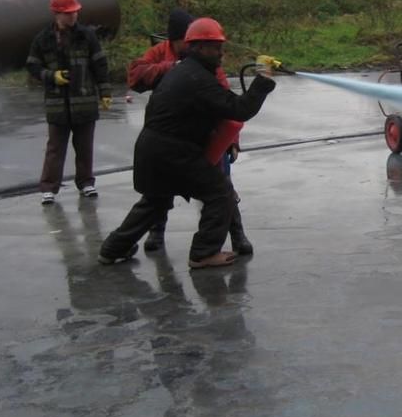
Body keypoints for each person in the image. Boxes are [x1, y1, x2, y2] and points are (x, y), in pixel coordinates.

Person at [98, 17, 276, 269]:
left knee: (155, 202)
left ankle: (112, 249)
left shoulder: (184, 71)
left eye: (220, 46)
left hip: (153, 150)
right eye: (215, 47)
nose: (221, 53)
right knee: (220, 194)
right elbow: (238, 109)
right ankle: (204, 253)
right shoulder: (198, 79)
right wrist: (263, 79)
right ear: (199, 47)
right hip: (174, 152)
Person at [127, 10, 252, 254]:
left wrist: (232, 141)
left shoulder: (207, 61)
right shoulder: (161, 53)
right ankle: (156, 233)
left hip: (202, 137)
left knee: (221, 187)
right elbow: (135, 75)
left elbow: (227, 103)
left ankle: (237, 234)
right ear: (175, 40)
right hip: (169, 135)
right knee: (158, 193)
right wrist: (172, 68)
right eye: (187, 39)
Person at [27, 0, 111, 205]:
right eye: (69, 13)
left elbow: (100, 64)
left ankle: (86, 183)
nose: (74, 16)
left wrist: (105, 92)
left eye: (75, 12)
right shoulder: (43, 39)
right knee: (55, 148)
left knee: (84, 146)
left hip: (84, 102)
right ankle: (48, 188)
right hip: (57, 105)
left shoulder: (87, 36)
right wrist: (51, 76)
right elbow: (33, 65)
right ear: (57, 14)